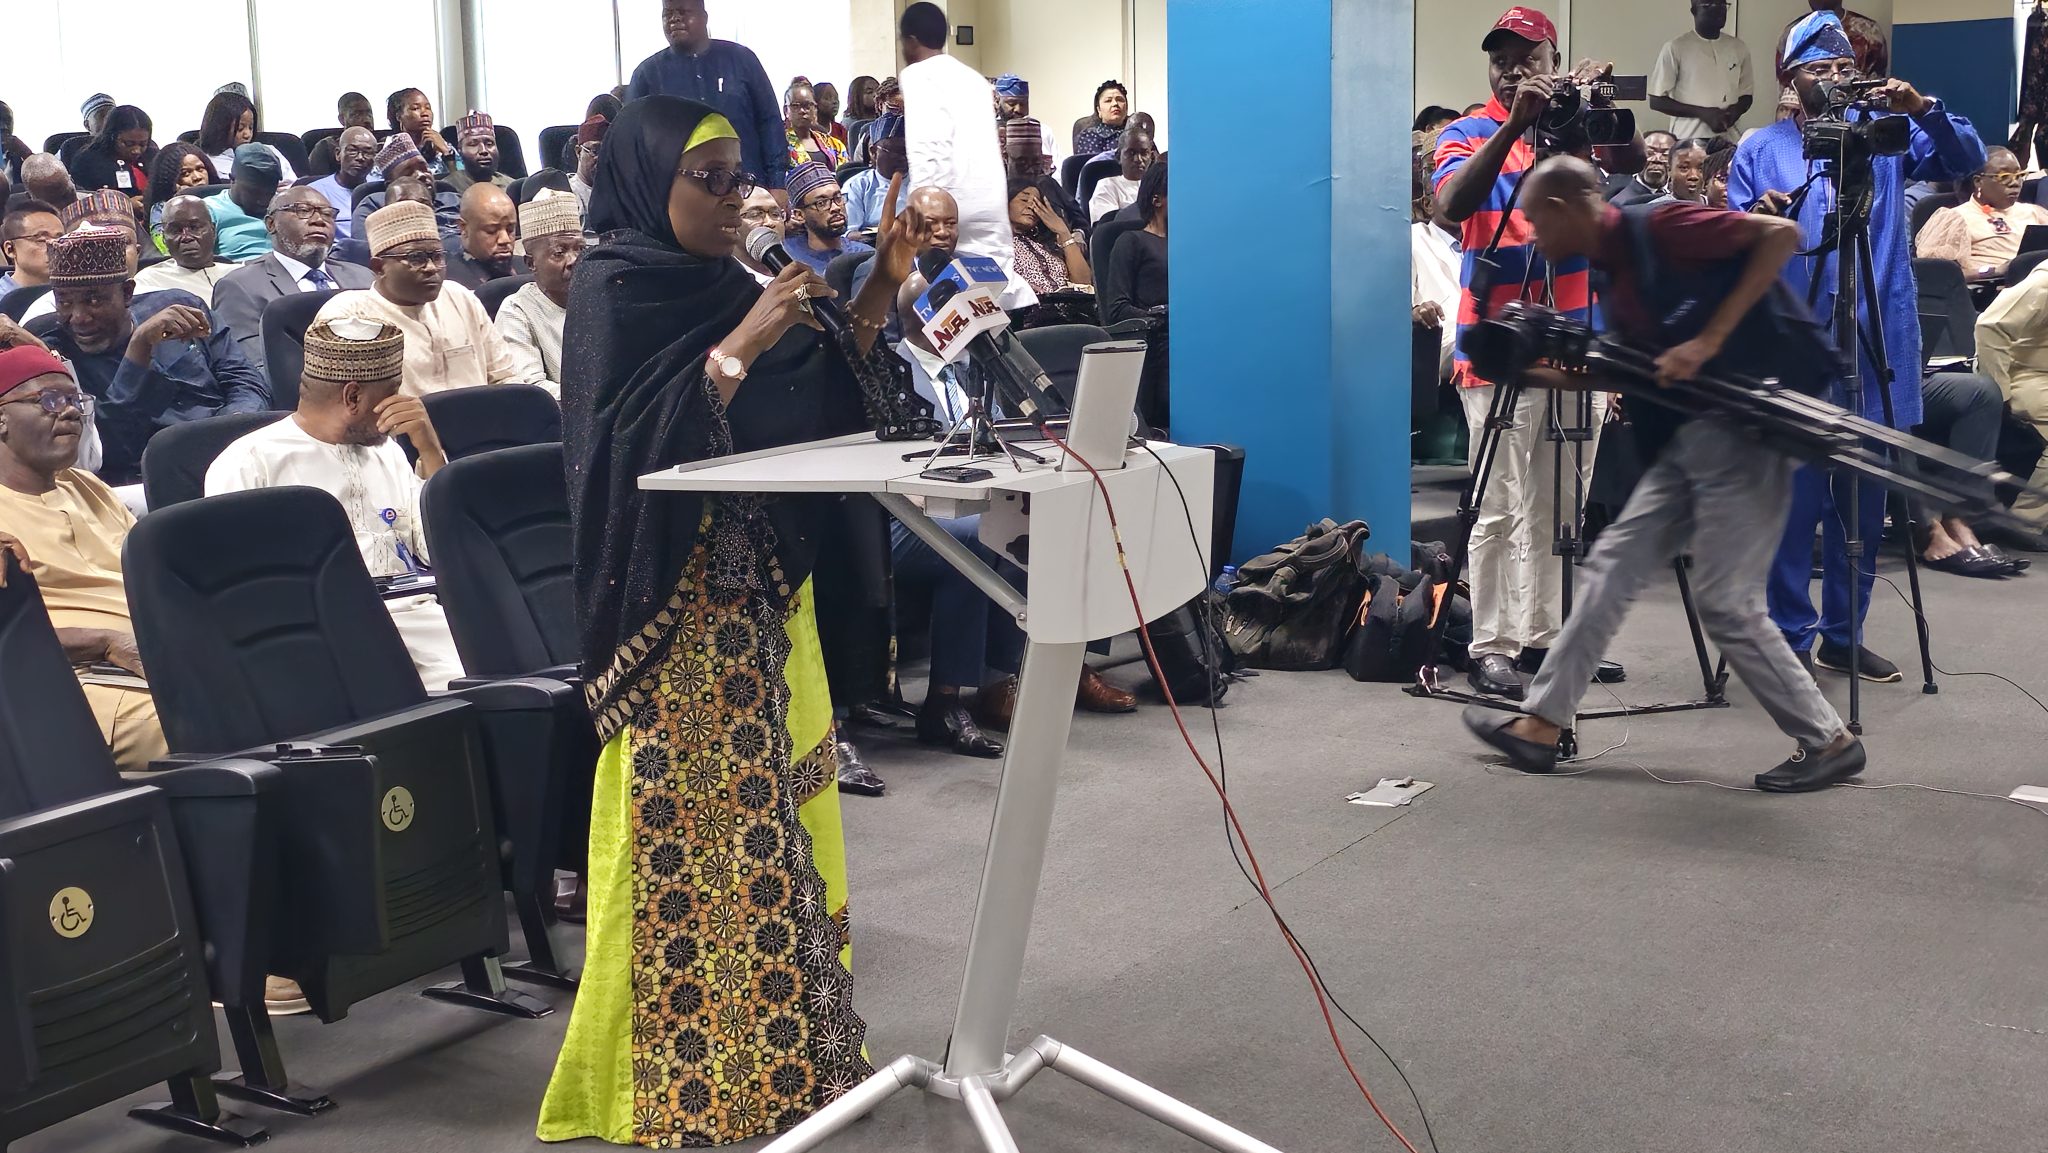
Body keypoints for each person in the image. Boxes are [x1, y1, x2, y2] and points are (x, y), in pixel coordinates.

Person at [536, 94, 928, 1146]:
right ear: (645, 179)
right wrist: (740, 346)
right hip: (677, 614)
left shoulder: (727, 279)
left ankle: (787, 1061)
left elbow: (825, 397)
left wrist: (877, 288)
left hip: (764, 597)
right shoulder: (614, 290)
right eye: (704, 180)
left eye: (736, 179)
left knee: (777, 836)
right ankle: (683, 1085)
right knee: (694, 856)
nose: (729, 199)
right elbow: (621, 458)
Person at [1462, 155, 1864, 793]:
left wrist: (1708, 340)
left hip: (1744, 433)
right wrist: (1527, 369)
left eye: (1536, 220)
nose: (1532, 234)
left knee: (1725, 603)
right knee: (1610, 568)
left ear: (1564, 208)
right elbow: (1638, 370)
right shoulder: (1612, 267)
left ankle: (1830, 742)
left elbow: (1779, 235)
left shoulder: (1660, 224)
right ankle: (1539, 725)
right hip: (1685, 441)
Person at [1734, 8, 1984, 680]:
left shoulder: (1887, 134)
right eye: (1819, 67)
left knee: (1863, 504)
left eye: (1845, 66)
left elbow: (1968, 161)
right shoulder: (1761, 147)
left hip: (1877, 342)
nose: (1835, 77)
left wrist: (1922, 108)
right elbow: (1728, 241)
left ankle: (1844, 635)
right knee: (1793, 503)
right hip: (1794, 344)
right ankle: (1789, 636)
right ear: (1790, 81)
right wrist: (1754, 217)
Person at [1433, 5, 1648, 700]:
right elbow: (1451, 205)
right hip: (1497, 349)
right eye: (1501, 60)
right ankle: (1491, 645)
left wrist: (1589, 109)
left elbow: (1633, 169)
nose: (1512, 70)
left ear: (1554, 63)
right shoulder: (1468, 132)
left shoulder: (1573, 135)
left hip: (1576, 350)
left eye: (1528, 58)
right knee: (1498, 505)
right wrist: (1514, 126)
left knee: (1561, 507)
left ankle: (1544, 637)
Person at [204, 319, 464, 690]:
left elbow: (435, 549)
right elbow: (242, 595)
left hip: (418, 616)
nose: (401, 403)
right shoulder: (249, 463)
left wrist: (430, 451)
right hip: (322, 636)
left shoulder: (388, 450)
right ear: (352, 397)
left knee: (515, 671)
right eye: (392, 391)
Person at [0, 345, 165, 770]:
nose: (71, 412)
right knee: (214, 722)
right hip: (71, 679)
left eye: (76, 400)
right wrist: (105, 641)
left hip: (160, 656)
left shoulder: (86, 486)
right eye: (50, 401)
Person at [32, 226, 268, 485]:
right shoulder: (57, 354)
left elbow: (244, 380)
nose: (79, 317)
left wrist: (231, 428)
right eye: (65, 302)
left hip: (235, 448)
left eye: (94, 301)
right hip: (150, 479)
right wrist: (139, 349)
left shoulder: (180, 307)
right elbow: (109, 448)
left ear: (127, 293)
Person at [316, 200, 541, 397]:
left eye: (437, 256)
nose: (431, 267)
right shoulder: (349, 315)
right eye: (416, 258)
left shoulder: (460, 297)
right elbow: (344, 407)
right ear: (379, 267)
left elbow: (505, 377)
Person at [901, 1, 1034, 309]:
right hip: (990, 200)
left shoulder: (917, 75)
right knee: (996, 288)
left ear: (910, 41)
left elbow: (928, 148)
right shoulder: (975, 79)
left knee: (941, 298)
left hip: (948, 204)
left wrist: (921, 207)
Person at [624, 0, 791, 202]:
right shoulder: (647, 75)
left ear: (704, 17)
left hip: (748, 189)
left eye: (683, 12)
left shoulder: (741, 60)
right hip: (682, 198)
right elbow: (630, 143)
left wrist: (777, 183)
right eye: (667, 14)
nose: (674, 19)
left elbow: (769, 121)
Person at [211, 185, 371, 372]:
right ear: (271, 224)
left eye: (327, 214)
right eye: (303, 211)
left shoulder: (363, 276)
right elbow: (254, 367)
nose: (319, 220)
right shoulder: (240, 286)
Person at [1974, 261, 2048, 547]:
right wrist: (1998, 394)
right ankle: (2024, 522)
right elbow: (1990, 326)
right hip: (2022, 374)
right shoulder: (2043, 283)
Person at [1916, 147, 2048, 282]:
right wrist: (1993, 271)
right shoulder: (1956, 218)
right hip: (1995, 287)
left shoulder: (2035, 212)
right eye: (2004, 177)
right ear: (1978, 181)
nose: (2015, 183)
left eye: (2019, 175)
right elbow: (1936, 275)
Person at [496, 190, 583, 392]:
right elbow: (530, 390)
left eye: (580, 249)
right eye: (559, 253)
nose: (574, 260)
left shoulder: (601, 297)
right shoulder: (516, 311)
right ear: (531, 263)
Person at [1649, 0, 1755, 146]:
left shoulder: (1738, 47)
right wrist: (1703, 113)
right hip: (1687, 138)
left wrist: (1734, 112)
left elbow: (1746, 96)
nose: (1717, 10)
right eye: (1708, 5)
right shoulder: (1675, 48)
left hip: (1727, 139)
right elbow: (1656, 101)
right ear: (1694, 11)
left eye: (1722, 5)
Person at [352, 135, 462, 243]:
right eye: (409, 173)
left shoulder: (453, 199)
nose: (421, 175)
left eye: (424, 168)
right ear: (390, 184)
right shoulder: (372, 205)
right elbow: (364, 248)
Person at [1000, 118, 1088, 234]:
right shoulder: (996, 189)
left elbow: (1081, 222)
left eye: (1036, 163)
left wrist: (1078, 234)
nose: (1030, 170)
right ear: (1006, 157)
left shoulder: (1047, 184)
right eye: (1022, 163)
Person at [134, 196, 234, 297]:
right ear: (164, 239)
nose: (186, 237)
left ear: (213, 231)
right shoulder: (149, 280)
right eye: (176, 231)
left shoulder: (237, 272)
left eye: (194, 228)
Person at [783, 162, 873, 273]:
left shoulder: (865, 256)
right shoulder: (788, 257)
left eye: (838, 198)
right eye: (821, 203)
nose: (835, 207)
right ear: (800, 215)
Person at [1007, 176, 1090, 295]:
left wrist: (1064, 233)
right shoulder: (995, 244)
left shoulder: (1045, 246)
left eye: (1037, 203)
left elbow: (1084, 284)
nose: (1031, 207)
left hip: (1069, 303)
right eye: (1024, 200)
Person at [203, 144, 282, 262]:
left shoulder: (284, 207)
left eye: (270, 192)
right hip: (235, 270)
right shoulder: (209, 210)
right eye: (254, 192)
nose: (263, 200)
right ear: (232, 179)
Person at [196, 91, 294, 184]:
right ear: (220, 128)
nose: (247, 134)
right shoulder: (205, 163)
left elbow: (293, 183)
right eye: (240, 128)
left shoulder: (270, 151)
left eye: (251, 127)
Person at [69, 105, 155, 201]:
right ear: (111, 137)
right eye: (129, 144)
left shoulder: (152, 156)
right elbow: (83, 201)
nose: (136, 150)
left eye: (143, 144)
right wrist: (125, 205)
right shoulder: (87, 161)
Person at [442, 183, 519, 290]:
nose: (505, 239)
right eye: (491, 231)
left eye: (510, 230)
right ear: (464, 228)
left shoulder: (530, 269)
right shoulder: (448, 284)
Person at [845, 116, 911, 238]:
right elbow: (849, 234)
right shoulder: (858, 185)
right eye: (896, 152)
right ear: (873, 152)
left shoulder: (922, 181)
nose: (903, 157)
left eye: (908, 151)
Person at [307, 126, 378, 238]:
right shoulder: (314, 192)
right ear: (338, 154)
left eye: (367, 152)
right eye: (352, 151)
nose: (360, 157)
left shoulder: (380, 188)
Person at [142, 143, 218, 237]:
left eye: (200, 169)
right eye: (185, 174)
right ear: (171, 180)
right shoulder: (161, 208)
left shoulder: (223, 198)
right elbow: (160, 243)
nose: (197, 177)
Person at [1090, 129, 1157, 223]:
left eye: (1144, 153)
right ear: (1118, 156)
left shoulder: (1158, 186)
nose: (1138, 159)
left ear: (1151, 157)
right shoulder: (1107, 186)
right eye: (1131, 153)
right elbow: (1106, 225)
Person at [0, 200, 61, 298]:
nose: (55, 246)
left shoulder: (72, 295)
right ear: (10, 249)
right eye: (41, 240)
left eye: (60, 239)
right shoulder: (3, 299)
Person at [305, 92, 377, 175]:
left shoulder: (384, 144)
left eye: (369, 114)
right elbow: (316, 180)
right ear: (342, 119)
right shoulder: (327, 146)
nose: (367, 120)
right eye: (357, 115)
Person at [387, 88, 452, 177]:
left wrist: (447, 153)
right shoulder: (389, 150)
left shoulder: (443, 144)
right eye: (415, 108)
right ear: (398, 116)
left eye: (428, 108)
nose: (425, 113)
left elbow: (460, 181)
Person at [993, 74, 1060, 160]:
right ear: (997, 102)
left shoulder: (1043, 131)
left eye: (1023, 104)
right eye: (1011, 104)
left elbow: (1058, 164)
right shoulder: (986, 133)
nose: (1018, 109)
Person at [446, 111, 511, 193]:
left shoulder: (512, 188)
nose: (483, 150)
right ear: (460, 150)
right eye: (473, 144)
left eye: (489, 144)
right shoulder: (447, 189)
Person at [784, 81, 844, 169]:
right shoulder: (780, 144)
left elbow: (845, 174)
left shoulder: (835, 145)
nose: (802, 111)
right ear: (786, 110)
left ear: (815, 109)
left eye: (807, 106)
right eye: (796, 106)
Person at [1608, 131, 1676, 205]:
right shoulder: (1620, 202)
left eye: (1666, 154)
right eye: (1649, 153)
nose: (1657, 159)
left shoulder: (1681, 196)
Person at [1073, 79, 1131, 156]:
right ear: (1099, 110)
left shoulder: (1138, 134)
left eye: (1120, 100)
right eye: (1108, 100)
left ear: (1126, 108)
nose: (1115, 104)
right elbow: (1094, 163)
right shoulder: (1089, 136)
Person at [570, 115, 607, 213]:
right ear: (578, 152)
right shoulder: (567, 195)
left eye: (607, 152)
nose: (601, 158)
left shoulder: (621, 193)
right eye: (595, 151)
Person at [843, 74, 880, 142]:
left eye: (878, 91)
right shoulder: (849, 123)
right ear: (857, 97)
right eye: (869, 92)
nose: (876, 95)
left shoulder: (882, 118)